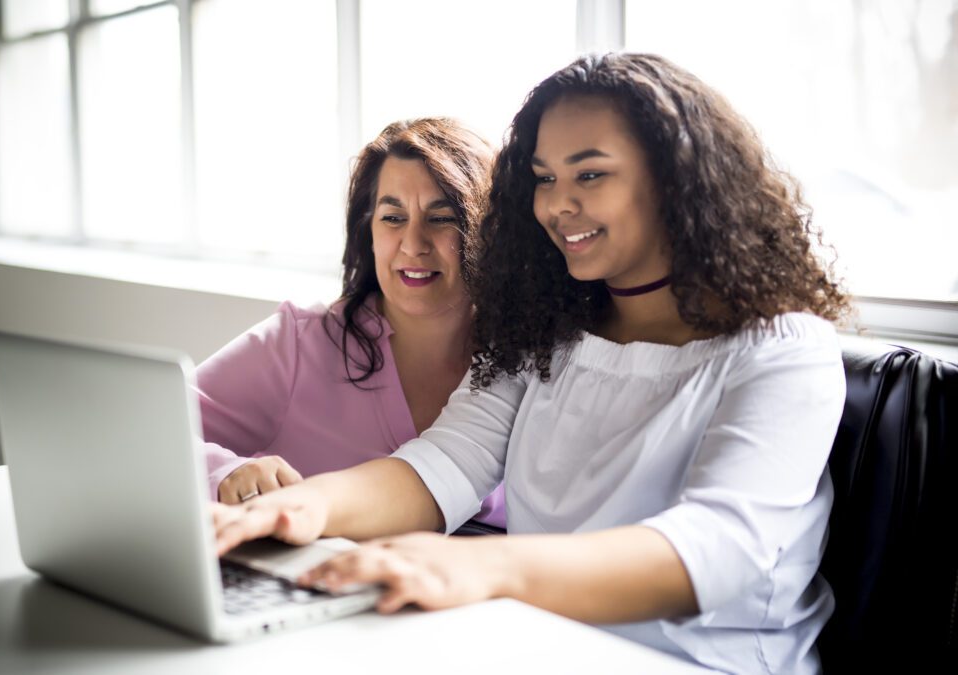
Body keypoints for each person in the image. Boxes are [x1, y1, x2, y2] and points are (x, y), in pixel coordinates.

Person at [210, 53, 851, 674]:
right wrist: (299, 509)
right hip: (533, 644)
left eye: (589, 174)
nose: (556, 205)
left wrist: (482, 569)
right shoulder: (548, 332)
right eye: (544, 178)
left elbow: (717, 548)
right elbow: (442, 464)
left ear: (676, 178)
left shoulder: (784, 349)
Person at [195, 117, 504, 529]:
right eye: (393, 218)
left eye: (441, 218)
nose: (413, 244)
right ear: (368, 232)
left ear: (488, 229)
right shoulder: (299, 343)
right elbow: (145, 429)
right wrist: (223, 472)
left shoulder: (527, 365)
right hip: (319, 583)